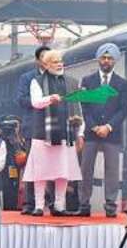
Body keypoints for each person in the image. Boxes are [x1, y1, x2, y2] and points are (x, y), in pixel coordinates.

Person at [22, 50, 82, 217]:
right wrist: (50, 99)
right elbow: (35, 102)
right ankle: (39, 206)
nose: (59, 64)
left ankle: (59, 206)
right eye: (55, 61)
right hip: (43, 134)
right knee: (40, 172)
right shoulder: (37, 81)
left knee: (63, 172)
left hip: (66, 132)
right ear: (46, 65)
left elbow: (78, 108)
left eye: (60, 61)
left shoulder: (71, 82)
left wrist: (80, 132)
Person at [77, 42, 127, 218]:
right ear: (98, 59)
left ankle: (111, 205)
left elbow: (124, 109)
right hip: (91, 133)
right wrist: (93, 126)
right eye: (104, 58)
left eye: (110, 58)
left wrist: (108, 127)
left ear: (115, 61)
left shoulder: (122, 83)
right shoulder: (87, 81)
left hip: (112, 134)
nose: (106, 61)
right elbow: (85, 106)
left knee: (112, 170)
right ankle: (84, 204)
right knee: (86, 169)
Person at [16, 46, 50, 215]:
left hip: (53, 127)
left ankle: (49, 202)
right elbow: (21, 99)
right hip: (33, 127)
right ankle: (30, 203)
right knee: (33, 166)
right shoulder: (27, 78)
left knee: (52, 166)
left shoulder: (57, 78)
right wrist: (42, 101)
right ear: (37, 60)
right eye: (44, 57)